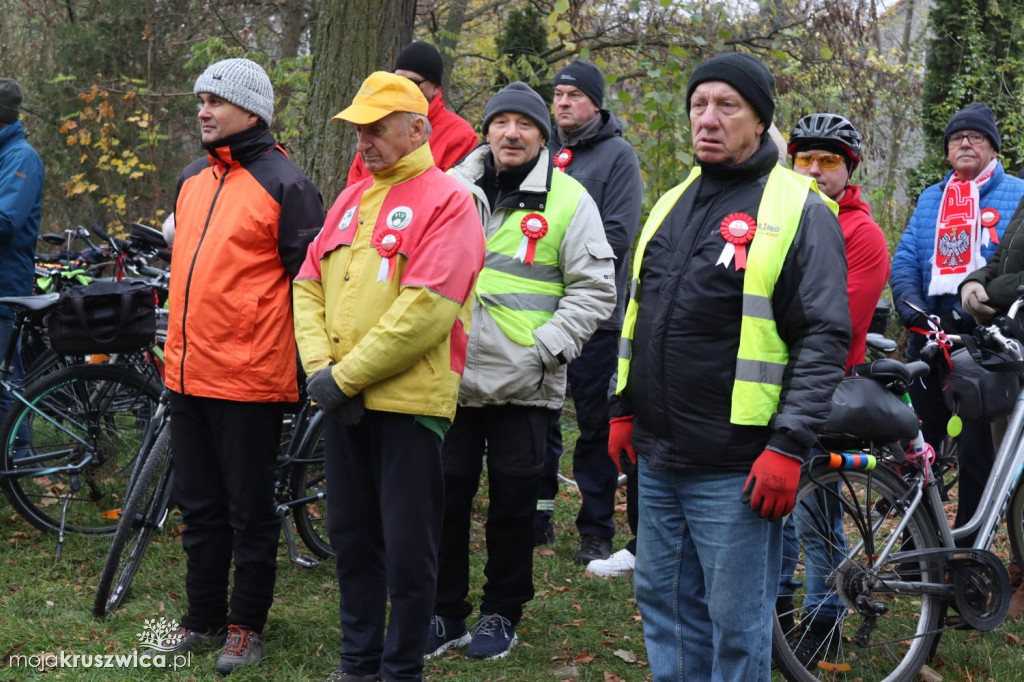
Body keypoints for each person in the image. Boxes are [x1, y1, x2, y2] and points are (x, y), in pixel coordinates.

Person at [611, 52, 850, 681]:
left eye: (727, 106)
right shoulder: (671, 202)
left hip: (739, 464)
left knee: (737, 626)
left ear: (759, 119)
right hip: (659, 455)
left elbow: (823, 337)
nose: (708, 119)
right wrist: (623, 408)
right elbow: (639, 315)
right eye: (698, 105)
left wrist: (788, 445)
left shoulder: (801, 209)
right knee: (664, 606)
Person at [293, 71, 485, 682]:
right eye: (358, 131)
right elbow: (306, 287)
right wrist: (323, 372)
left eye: (376, 129)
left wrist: (343, 379)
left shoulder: (449, 200)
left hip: (409, 404)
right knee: (351, 537)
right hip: (343, 398)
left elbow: (427, 309)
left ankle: (400, 670)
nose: (364, 142)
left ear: (417, 128)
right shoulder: (349, 200)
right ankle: (359, 664)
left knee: (407, 549)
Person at [427, 81, 616, 661]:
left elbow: (594, 290)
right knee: (444, 501)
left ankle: (501, 614)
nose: (512, 134)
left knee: (513, 507)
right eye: (501, 122)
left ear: (543, 135)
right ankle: (443, 612)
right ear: (487, 131)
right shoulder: (449, 190)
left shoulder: (570, 201)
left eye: (525, 125)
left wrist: (544, 350)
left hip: (525, 389)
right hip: (449, 384)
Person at [158, 58, 325, 675]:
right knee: (197, 503)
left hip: (251, 381)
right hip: (186, 374)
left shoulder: (287, 183)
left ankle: (244, 627)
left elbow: (310, 286)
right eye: (199, 99)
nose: (202, 110)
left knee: (249, 508)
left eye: (215, 101)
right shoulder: (193, 179)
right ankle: (200, 618)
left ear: (251, 111)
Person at [776, 112, 890, 665]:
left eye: (829, 162)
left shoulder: (862, 233)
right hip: (767, 381)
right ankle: (775, 611)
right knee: (770, 509)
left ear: (849, 169)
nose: (816, 171)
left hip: (824, 386)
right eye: (806, 160)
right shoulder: (776, 214)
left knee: (816, 513)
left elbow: (838, 317)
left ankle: (825, 620)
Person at [891, 102, 1024, 545]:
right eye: (956, 138)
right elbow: (907, 258)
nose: (965, 143)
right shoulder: (932, 197)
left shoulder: (1016, 194)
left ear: (993, 147)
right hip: (929, 336)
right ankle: (917, 549)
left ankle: (967, 554)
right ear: (947, 151)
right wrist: (912, 311)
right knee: (919, 448)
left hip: (985, 342)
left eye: (976, 137)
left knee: (976, 451)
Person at [532, 60, 644, 574]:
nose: (562, 103)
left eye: (573, 95)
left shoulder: (619, 157)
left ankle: (596, 532)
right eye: (557, 94)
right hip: (535, 313)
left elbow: (619, 237)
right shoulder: (542, 151)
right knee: (538, 420)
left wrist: (560, 263)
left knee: (595, 429)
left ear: (595, 102)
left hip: (596, 319)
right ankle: (537, 516)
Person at [345, 42, 478, 186]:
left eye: (412, 82)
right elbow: (353, 194)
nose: (403, 88)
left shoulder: (460, 135)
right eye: (397, 81)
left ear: (436, 88)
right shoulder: (373, 128)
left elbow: (451, 195)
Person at [0, 77, 44, 439]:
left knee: (5, 378)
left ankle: (21, 461)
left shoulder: (22, 158)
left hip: (5, 285)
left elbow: (6, 221)